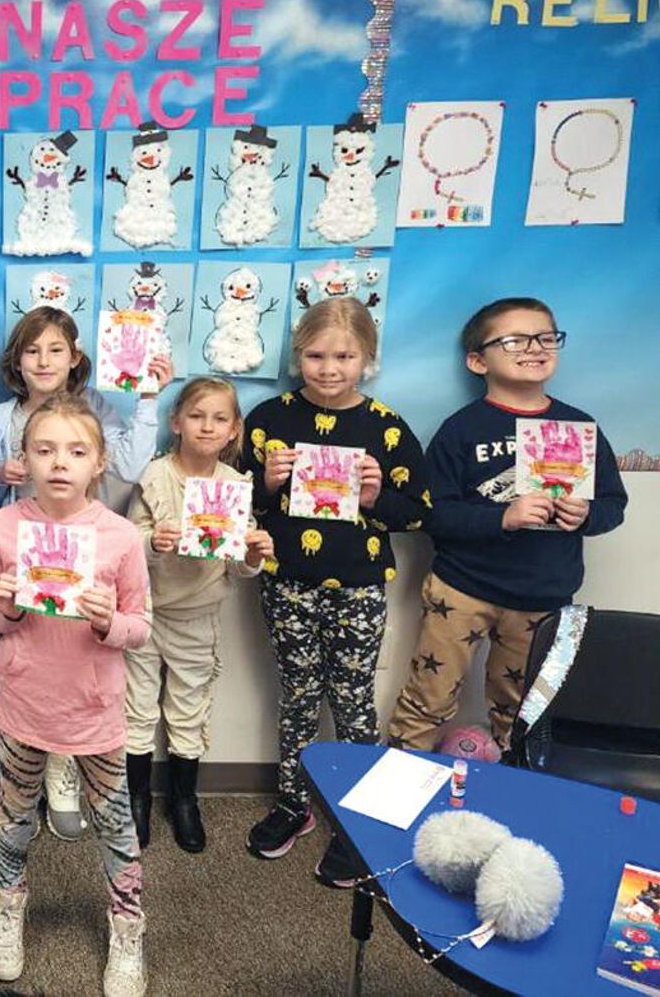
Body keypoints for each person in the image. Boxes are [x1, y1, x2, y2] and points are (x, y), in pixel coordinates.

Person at [242, 297, 429, 886]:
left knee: (352, 701)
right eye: (316, 356)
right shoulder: (269, 418)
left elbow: (419, 512)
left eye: (344, 357)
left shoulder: (386, 427)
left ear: (367, 357)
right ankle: (292, 803)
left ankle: (357, 821)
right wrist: (265, 485)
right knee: (297, 695)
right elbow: (232, 507)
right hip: (286, 582)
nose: (329, 368)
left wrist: (375, 497)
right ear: (298, 355)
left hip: (359, 585)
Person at [386, 297, 626, 751]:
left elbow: (614, 504)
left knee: (522, 709)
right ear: (478, 361)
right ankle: (400, 775)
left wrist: (586, 515)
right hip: (462, 588)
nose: (534, 347)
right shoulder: (461, 429)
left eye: (545, 337)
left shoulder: (579, 427)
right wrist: (503, 517)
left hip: (542, 595)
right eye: (514, 340)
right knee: (429, 697)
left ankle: (514, 780)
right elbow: (431, 513)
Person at [0, 392, 150, 997]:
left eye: (76, 451)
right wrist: (8, 608)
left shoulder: (120, 536)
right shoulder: (4, 527)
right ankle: (9, 906)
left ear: (99, 462)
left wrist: (107, 623)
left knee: (115, 822)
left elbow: (140, 627)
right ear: (24, 458)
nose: (59, 463)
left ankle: (127, 925)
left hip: (94, 711)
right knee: (14, 816)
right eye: (44, 450)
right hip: (24, 704)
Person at [0, 305, 170, 843]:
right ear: (17, 360)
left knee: (75, 671)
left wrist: (148, 398)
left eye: (55, 349)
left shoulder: (95, 408)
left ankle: (62, 772)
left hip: (81, 575)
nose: (43, 360)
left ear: (75, 357)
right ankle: (23, 774)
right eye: (32, 350)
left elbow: (129, 465)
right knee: (25, 670)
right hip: (19, 573)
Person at [125, 377, 273, 853]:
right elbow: (127, 544)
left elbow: (240, 566)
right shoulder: (153, 476)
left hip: (198, 617)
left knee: (189, 709)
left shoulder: (235, 486)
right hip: (146, 612)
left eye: (219, 418)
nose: (207, 427)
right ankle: (135, 798)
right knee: (137, 707)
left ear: (234, 430)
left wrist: (253, 554)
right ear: (176, 422)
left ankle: (184, 798)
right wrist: (152, 541)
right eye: (196, 416)